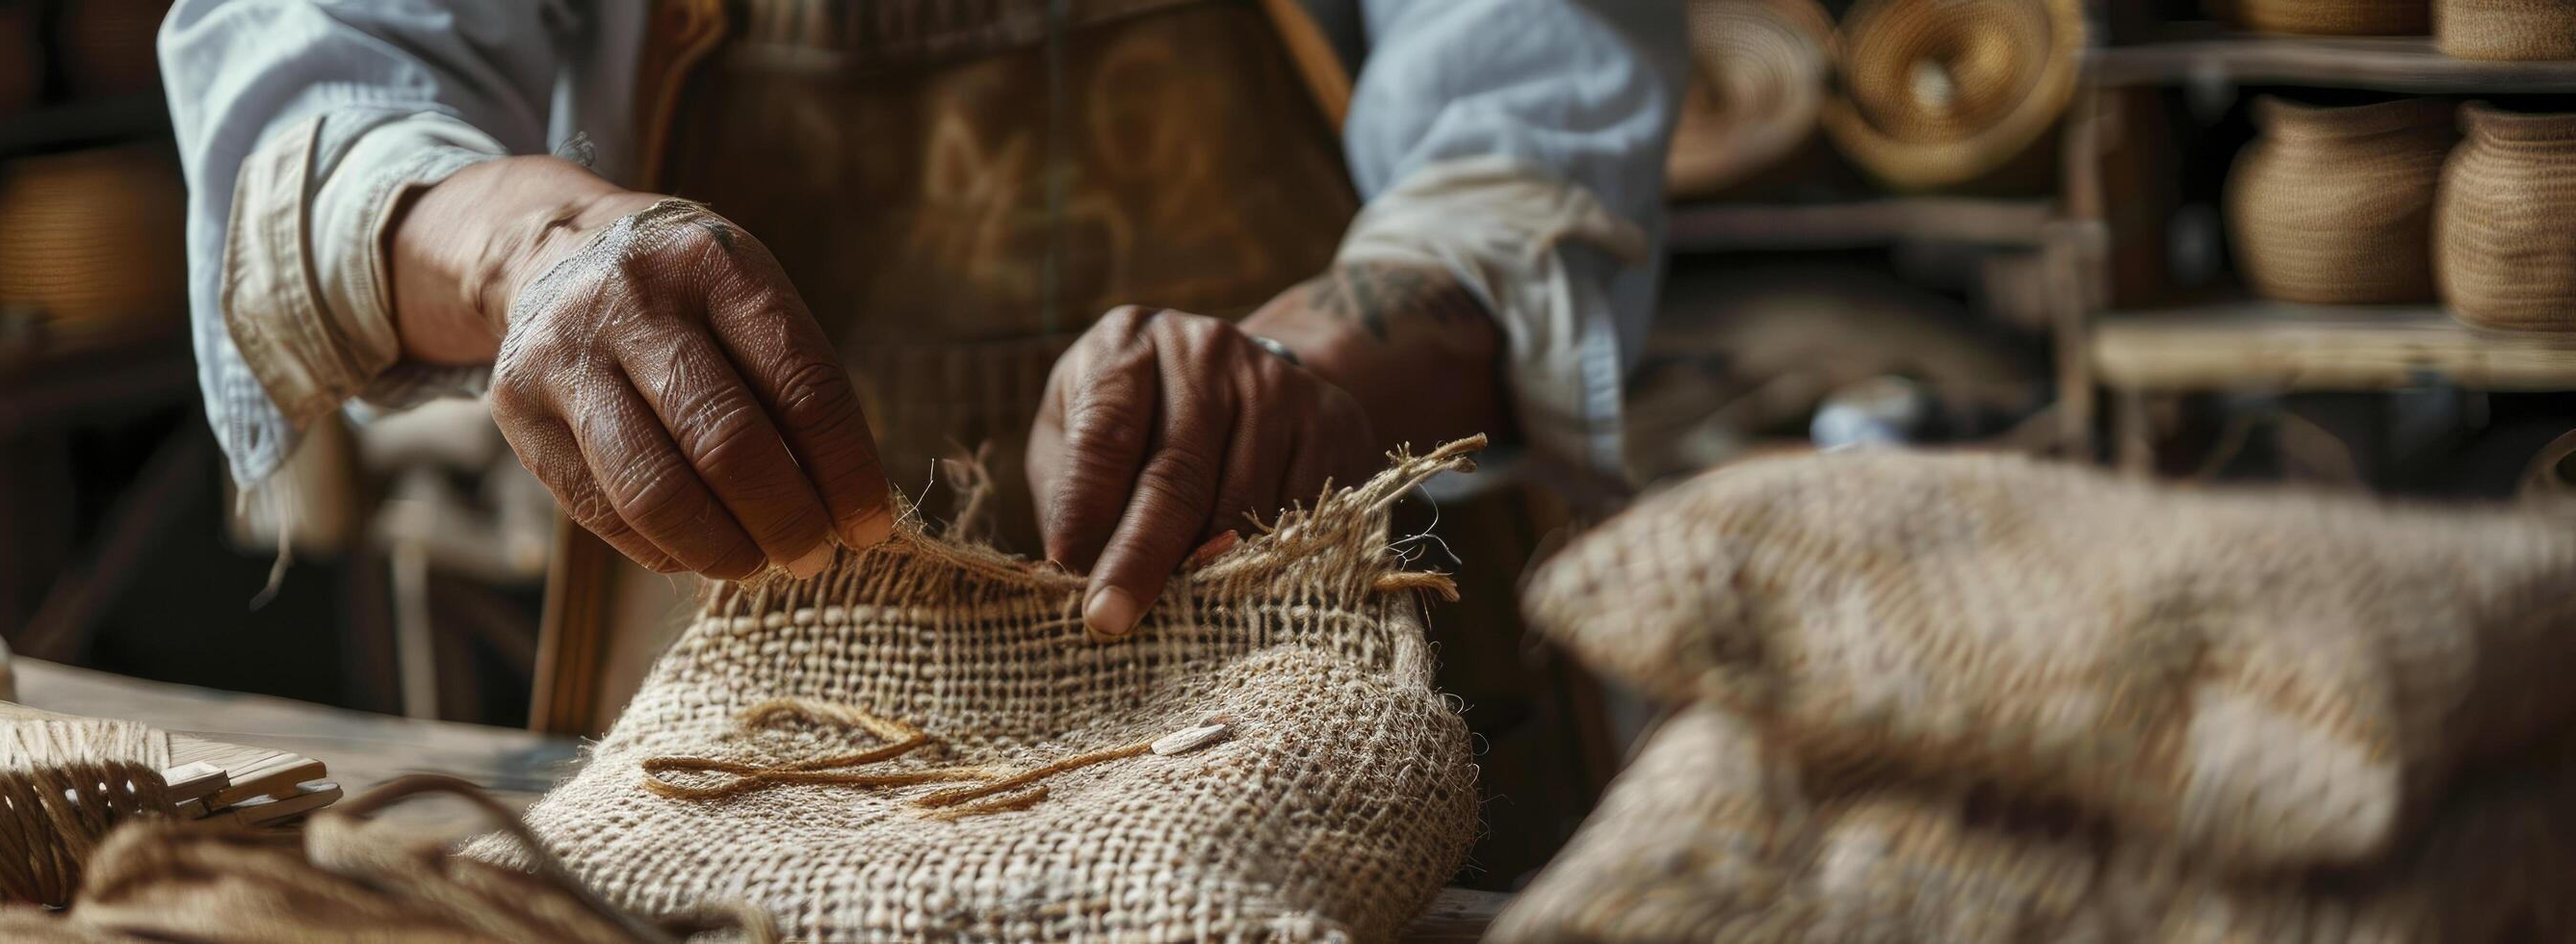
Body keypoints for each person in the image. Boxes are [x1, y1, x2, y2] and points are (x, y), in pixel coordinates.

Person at [161, 0, 1678, 638]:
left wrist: (1305, 369)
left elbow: (1526, 147)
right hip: (742, 689)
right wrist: (533, 246)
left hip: (1317, 644)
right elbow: (317, 89)